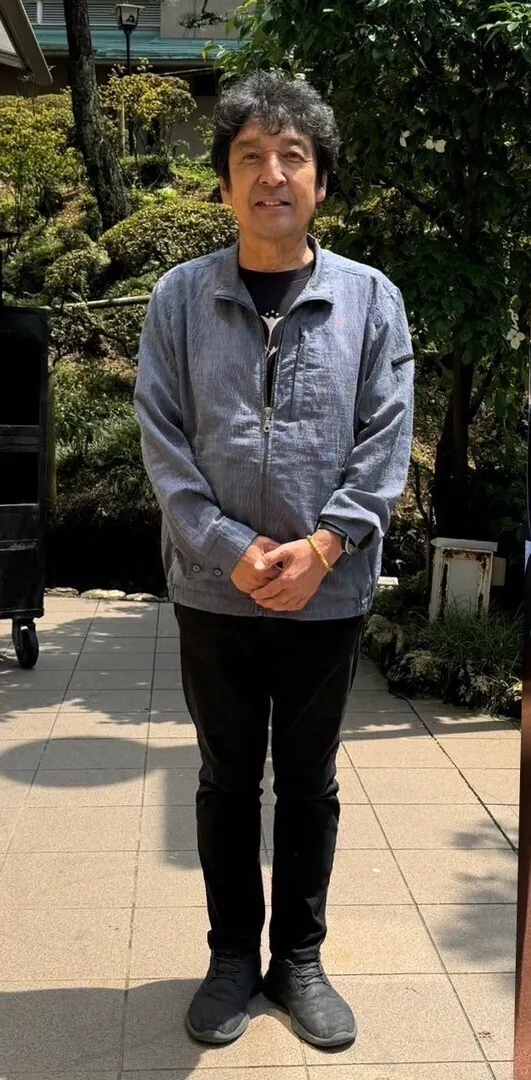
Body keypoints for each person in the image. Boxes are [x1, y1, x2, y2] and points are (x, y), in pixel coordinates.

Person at [134, 70, 414, 1051]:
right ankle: (229, 960)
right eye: (250, 156)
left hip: (328, 593)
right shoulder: (179, 298)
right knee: (223, 777)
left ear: (320, 182)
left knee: (308, 780)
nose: (271, 174)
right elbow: (162, 438)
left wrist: (327, 543)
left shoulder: (370, 300)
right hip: (214, 593)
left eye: (292, 156)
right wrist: (230, 547)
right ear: (223, 183)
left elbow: (385, 437)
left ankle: (298, 959)